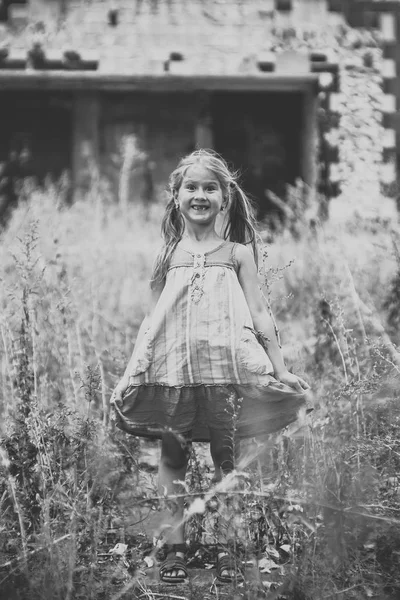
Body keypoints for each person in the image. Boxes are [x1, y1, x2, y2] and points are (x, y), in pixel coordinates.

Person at [111, 149, 310, 584]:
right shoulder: (166, 256)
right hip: (174, 375)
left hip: (226, 375)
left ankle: (227, 544)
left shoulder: (238, 254)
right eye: (191, 187)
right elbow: (151, 322)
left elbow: (260, 313)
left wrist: (280, 368)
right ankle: (175, 545)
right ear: (176, 196)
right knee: (172, 454)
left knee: (227, 458)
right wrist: (132, 371)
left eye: (209, 187)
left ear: (225, 197)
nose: (200, 195)